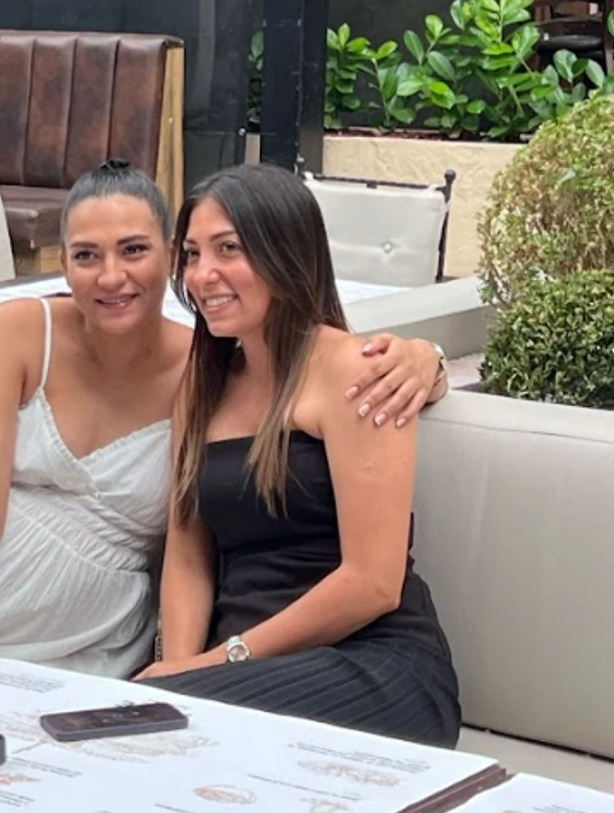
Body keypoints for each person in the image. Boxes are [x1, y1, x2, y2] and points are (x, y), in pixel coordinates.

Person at [0, 160, 448, 680]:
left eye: (134, 250)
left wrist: (428, 360)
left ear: (165, 257)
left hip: (103, 631)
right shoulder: (37, 337)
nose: (111, 276)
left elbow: (326, 373)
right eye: (85, 255)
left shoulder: (214, 368)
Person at [137, 164, 460, 748]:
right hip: (237, 674)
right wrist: (178, 673)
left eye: (229, 248)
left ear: (285, 253)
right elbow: (188, 556)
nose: (203, 274)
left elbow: (373, 582)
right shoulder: (203, 385)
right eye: (191, 254)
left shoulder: (356, 371)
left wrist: (213, 668)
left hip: (371, 665)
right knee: (127, 727)